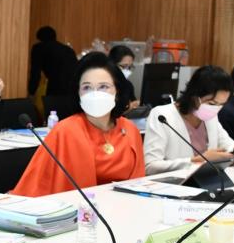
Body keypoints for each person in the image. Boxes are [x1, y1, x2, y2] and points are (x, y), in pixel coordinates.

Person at [12, 52, 145, 197]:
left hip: (125, 205)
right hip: (81, 207)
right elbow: (34, 187)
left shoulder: (130, 130)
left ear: (117, 92)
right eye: (87, 88)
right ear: (78, 93)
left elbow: (138, 184)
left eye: (103, 87)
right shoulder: (64, 131)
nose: (95, 94)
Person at [143, 66, 234, 175]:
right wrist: (196, 160)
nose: (216, 109)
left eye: (221, 104)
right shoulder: (162, 115)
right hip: (176, 182)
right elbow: (150, 166)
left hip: (207, 180)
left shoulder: (211, 116)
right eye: (212, 103)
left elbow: (228, 145)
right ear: (194, 96)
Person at [27, 25, 79, 97]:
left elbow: (35, 72)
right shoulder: (67, 49)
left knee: (52, 104)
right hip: (73, 88)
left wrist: (31, 92)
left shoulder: (39, 48)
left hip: (56, 87)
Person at [108, 45, 138, 111]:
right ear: (112, 64)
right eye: (124, 66)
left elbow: (133, 102)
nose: (127, 70)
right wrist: (129, 107)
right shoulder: (104, 86)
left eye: (130, 67)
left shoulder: (128, 84)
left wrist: (136, 104)